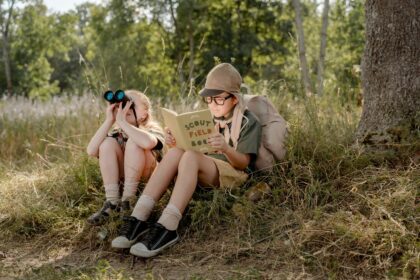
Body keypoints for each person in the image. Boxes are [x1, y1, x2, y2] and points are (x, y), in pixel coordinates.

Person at [111, 63, 262, 258]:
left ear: (234, 98)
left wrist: (225, 148)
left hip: (232, 174)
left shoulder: (248, 121)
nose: (212, 104)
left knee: (190, 156)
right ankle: (139, 216)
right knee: (176, 153)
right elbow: (192, 150)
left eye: (218, 99)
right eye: (208, 99)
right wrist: (175, 142)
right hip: (204, 166)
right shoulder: (208, 118)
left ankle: (168, 225)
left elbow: (243, 164)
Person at [86, 90, 164, 225]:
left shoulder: (151, 129)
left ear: (144, 114)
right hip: (123, 183)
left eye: (131, 104)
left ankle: (129, 201)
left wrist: (123, 122)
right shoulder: (117, 133)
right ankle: (112, 202)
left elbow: (147, 143)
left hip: (148, 182)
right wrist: (110, 120)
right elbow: (92, 151)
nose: (125, 107)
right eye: (121, 104)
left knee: (135, 142)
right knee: (107, 143)